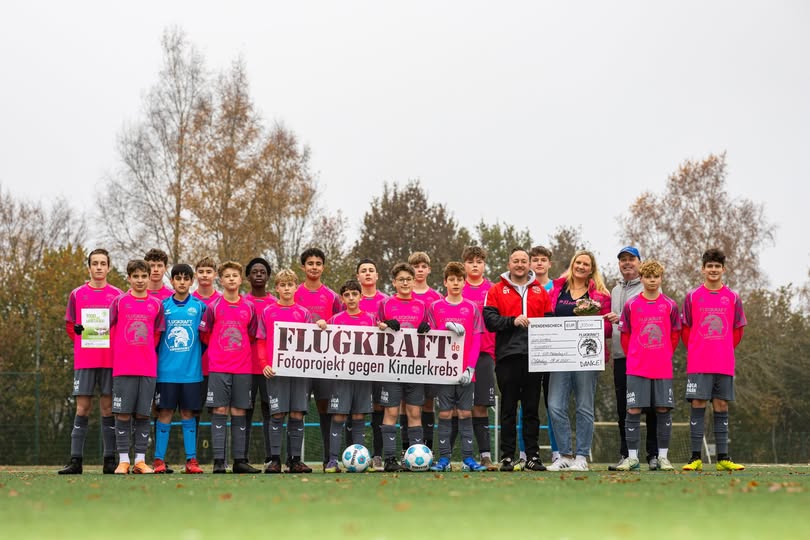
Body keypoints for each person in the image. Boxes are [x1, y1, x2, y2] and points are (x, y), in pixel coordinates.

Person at [483, 248, 552, 472]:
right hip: (507, 357)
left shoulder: (540, 291)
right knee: (508, 409)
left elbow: (550, 322)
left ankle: (532, 457)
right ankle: (507, 457)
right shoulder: (496, 289)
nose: (520, 264)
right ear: (509, 264)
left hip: (535, 358)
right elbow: (490, 320)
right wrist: (512, 321)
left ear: (529, 264)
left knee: (531, 410)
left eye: (524, 261)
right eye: (516, 261)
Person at [58, 248, 123, 475]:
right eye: (94, 263)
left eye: (102, 263)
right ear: (88, 267)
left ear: (108, 267)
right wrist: (78, 333)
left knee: (108, 409)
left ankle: (109, 460)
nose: (98, 267)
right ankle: (75, 460)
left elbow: (121, 326)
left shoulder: (118, 295)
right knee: (82, 408)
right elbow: (70, 325)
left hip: (109, 360)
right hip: (85, 360)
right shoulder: (77, 294)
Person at [681, 248, 747, 472]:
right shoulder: (692, 296)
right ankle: (695, 458)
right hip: (699, 361)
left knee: (721, 404)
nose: (713, 270)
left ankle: (723, 458)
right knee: (698, 403)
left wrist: (723, 347)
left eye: (717, 266)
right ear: (703, 269)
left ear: (723, 269)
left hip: (723, 361)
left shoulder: (733, 297)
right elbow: (686, 329)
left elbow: (737, 330)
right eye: (709, 266)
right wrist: (698, 347)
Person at [546, 250, 612, 472]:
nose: (581, 266)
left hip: (586, 358)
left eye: (586, 264)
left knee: (584, 407)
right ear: (572, 264)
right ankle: (564, 455)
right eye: (578, 262)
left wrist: (591, 317)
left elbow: (608, 330)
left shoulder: (601, 296)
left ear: (592, 269)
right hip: (560, 356)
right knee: (555, 405)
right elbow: (547, 317)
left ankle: (581, 457)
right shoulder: (557, 290)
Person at [614, 260, 680, 472]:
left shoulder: (670, 305)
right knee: (633, 409)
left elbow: (675, 334)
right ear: (641, 279)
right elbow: (625, 335)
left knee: (663, 409)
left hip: (661, 366)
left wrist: (664, 354)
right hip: (637, 366)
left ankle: (663, 457)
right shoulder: (631, 304)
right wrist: (634, 355)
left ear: (661, 278)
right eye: (648, 277)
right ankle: (632, 458)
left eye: (656, 277)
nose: (652, 280)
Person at [256, 269, 320, 474]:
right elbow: (261, 340)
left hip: (299, 371)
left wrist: (320, 327)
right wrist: (264, 363)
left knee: (297, 414)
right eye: (282, 285)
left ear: (295, 287)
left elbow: (311, 341)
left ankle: (295, 460)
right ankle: (274, 460)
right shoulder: (268, 311)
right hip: (276, 372)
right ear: (276, 288)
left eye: (290, 285)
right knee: (277, 414)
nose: (286, 288)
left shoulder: (304, 313)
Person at [199, 261, 260, 474]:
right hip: (218, 367)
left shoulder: (249, 307)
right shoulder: (213, 307)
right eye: (227, 276)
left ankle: (240, 461)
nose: (231, 279)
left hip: (243, 368)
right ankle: (218, 461)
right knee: (219, 410)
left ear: (241, 279)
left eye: (235, 275)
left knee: (239, 410)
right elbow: (205, 334)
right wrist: (220, 351)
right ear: (221, 280)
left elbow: (252, 335)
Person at [427, 262, 487, 472]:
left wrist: (470, 368)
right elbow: (429, 336)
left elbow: (477, 341)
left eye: (459, 280)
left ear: (464, 282)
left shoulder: (472, 308)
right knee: (444, 414)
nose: (455, 283)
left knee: (465, 414)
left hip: (465, 373)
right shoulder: (435, 307)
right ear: (445, 282)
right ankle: (444, 459)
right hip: (444, 371)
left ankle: (468, 459)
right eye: (451, 279)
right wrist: (446, 327)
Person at [605, 246, 660, 470]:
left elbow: (651, 319)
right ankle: (627, 455)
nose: (627, 263)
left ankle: (653, 455)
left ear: (639, 262)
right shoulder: (615, 290)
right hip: (621, 356)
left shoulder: (648, 287)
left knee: (650, 407)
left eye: (631, 259)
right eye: (623, 260)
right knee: (623, 408)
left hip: (645, 356)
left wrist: (621, 319)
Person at [109, 259, 166, 474]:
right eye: (136, 276)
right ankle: (123, 461)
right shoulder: (119, 302)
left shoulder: (156, 304)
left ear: (149, 277)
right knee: (123, 415)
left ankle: (140, 461)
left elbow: (157, 333)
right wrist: (83, 329)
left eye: (144, 276)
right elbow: (103, 327)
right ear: (129, 278)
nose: (140, 280)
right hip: (123, 367)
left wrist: (144, 350)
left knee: (143, 415)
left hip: (147, 367)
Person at [317, 279, 377, 472]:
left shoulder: (371, 319)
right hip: (341, 376)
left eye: (354, 294)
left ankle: (360, 461)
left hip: (363, 376)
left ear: (361, 296)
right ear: (342, 299)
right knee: (339, 416)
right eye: (347, 295)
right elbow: (321, 340)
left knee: (359, 416)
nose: (351, 298)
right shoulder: (335, 320)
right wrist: (320, 325)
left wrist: (384, 327)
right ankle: (332, 461)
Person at [377, 262, 431, 472]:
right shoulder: (386, 303)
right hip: (391, 367)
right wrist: (384, 325)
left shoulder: (422, 306)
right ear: (394, 282)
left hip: (415, 368)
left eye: (409, 279)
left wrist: (428, 327)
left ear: (414, 281)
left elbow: (433, 331)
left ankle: (416, 458)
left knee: (414, 412)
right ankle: (390, 458)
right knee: (391, 411)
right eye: (401, 280)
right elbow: (375, 326)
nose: (405, 283)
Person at [153, 264, 206, 474]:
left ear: (192, 281)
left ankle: (191, 460)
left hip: (191, 373)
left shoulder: (200, 307)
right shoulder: (162, 306)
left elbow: (206, 338)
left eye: (186, 278)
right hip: (166, 373)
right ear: (172, 281)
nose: (182, 282)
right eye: (178, 278)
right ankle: (158, 460)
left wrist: (193, 357)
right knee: (164, 412)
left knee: (187, 413)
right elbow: (155, 338)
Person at [294, 247, 342, 471]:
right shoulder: (294, 293)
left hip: (324, 362)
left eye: (318, 263)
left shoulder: (331, 296)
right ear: (303, 267)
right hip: (298, 362)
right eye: (310, 263)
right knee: (297, 408)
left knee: (325, 408)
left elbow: (340, 324)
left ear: (323, 267)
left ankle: (328, 459)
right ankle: (294, 459)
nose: (314, 267)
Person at [460, 246, 498, 470]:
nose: (475, 265)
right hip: (458, 356)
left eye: (479, 261)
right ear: (464, 264)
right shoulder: (457, 288)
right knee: (456, 407)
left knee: (480, 406)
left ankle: (485, 455)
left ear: (484, 265)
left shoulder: (493, 290)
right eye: (470, 261)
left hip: (484, 353)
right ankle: (450, 456)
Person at [243, 257, 278, 470]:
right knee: (245, 411)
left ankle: (271, 457)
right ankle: (242, 457)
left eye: (262, 272)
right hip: (246, 366)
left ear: (268, 277)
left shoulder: (275, 303)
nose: (258, 274)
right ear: (248, 276)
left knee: (270, 411)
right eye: (254, 271)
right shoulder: (242, 302)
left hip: (269, 368)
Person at [356, 258, 388, 471]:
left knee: (379, 408)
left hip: (379, 364)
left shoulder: (385, 301)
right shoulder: (349, 299)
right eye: (363, 271)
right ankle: (353, 454)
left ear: (377, 276)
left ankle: (377, 455)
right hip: (355, 365)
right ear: (358, 276)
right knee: (355, 409)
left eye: (371, 270)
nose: (367, 273)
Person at [528, 245, 559, 466]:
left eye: (543, 259)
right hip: (528, 353)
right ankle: (525, 453)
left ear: (549, 263)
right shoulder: (524, 287)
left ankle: (558, 452)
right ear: (530, 263)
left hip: (553, 353)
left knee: (553, 405)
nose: (539, 263)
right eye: (535, 259)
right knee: (527, 406)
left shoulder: (558, 288)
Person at [408, 251, 442, 454]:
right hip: (406, 359)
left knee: (428, 404)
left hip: (430, 359)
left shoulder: (436, 297)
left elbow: (441, 324)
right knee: (406, 405)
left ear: (429, 270)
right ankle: (407, 449)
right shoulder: (404, 293)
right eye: (415, 267)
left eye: (423, 267)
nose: (419, 270)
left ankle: (427, 449)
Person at [190, 257, 221, 455]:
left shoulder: (221, 301)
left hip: (217, 367)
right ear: (196, 274)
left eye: (209, 271)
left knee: (218, 413)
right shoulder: (188, 300)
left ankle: (220, 458)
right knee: (193, 413)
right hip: (193, 369)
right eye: (201, 271)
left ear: (215, 275)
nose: (204, 275)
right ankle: (191, 458)